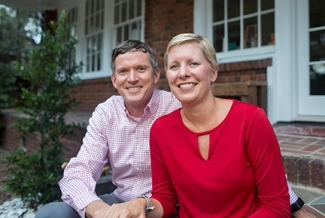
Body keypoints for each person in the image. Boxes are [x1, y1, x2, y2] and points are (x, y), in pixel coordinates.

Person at [35, 39, 313, 218]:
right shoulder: (108, 113)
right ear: (113, 80)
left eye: (141, 70)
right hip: (124, 203)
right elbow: (81, 169)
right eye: (123, 71)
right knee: (53, 214)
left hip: (167, 208)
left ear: (156, 76)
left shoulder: (177, 106)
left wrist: (295, 205)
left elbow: (254, 164)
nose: (132, 78)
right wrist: (98, 210)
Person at [105, 33, 291, 217]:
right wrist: (141, 205)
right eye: (175, 66)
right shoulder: (161, 130)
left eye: (193, 64)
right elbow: (166, 199)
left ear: (213, 72)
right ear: (167, 76)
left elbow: (276, 205)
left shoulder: (250, 119)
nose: (183, 73)